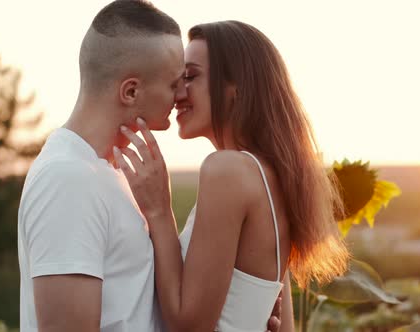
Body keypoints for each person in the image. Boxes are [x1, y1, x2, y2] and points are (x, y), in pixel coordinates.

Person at [18, 2, 282, 331]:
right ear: (131, 91)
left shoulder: (118, 177)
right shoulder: (68, 179)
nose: (181, 95)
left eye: (189, 79)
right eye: (175, 83)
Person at [115, 20, 350, 332]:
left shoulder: (227, 170)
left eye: (191, 76)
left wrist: (159, 211)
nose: (178, 92)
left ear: (236, 87)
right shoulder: (272, 177)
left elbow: (189, 327)